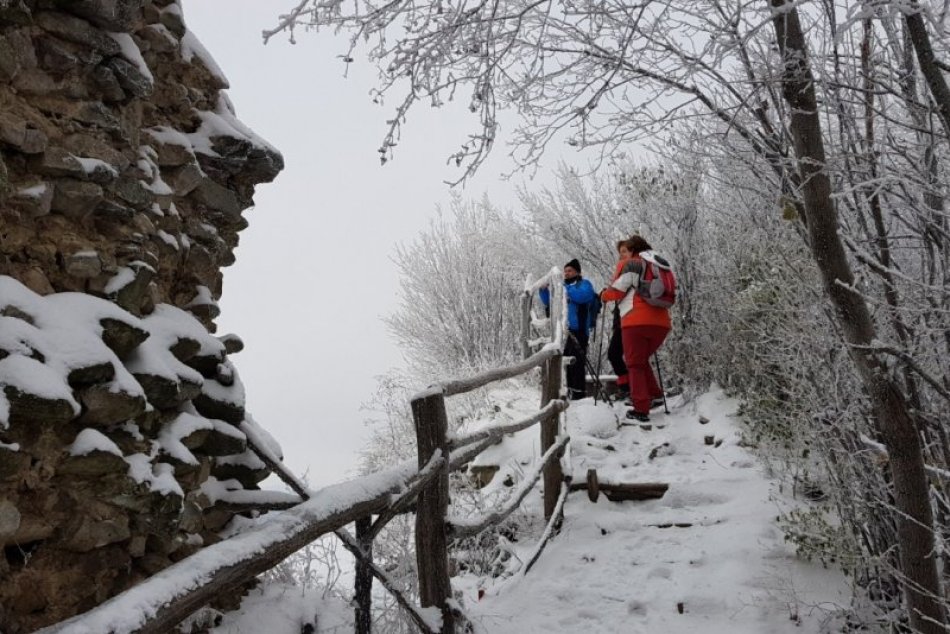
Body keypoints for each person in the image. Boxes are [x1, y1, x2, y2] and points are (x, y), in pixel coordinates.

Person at [600, 237, 671, 422]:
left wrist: (603, 295)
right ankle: (655, 395)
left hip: (635, 320)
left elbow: (617, 290)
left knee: (634, 364)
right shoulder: (657, 264)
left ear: (633, 249)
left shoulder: (633, 264)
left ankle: (641, 409)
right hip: (661, 323)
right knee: (640, 360)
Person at [540, 258, 599, 400]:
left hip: (580, 330)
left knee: (577, 362)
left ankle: (579, 394)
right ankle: (571, 392)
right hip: (566, 331)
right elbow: (549, 301)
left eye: (570, 271)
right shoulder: (564, 288)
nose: (566, 273)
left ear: (577, 272)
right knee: (567, 361)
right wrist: (543, 291)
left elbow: (583, 296)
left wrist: (564, 289)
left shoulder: (584, 285)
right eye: (565, 271)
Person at [606, 239, 632, 398]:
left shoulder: (633, 271)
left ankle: (628, 388)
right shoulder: (623, 271)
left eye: (625, 251)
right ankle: (627, 388)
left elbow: (620, 291)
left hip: (629, 319)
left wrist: (607, 294)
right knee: (615, 354)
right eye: (620, 252)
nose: (622, 255)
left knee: (616, 354)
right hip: (621, 319)